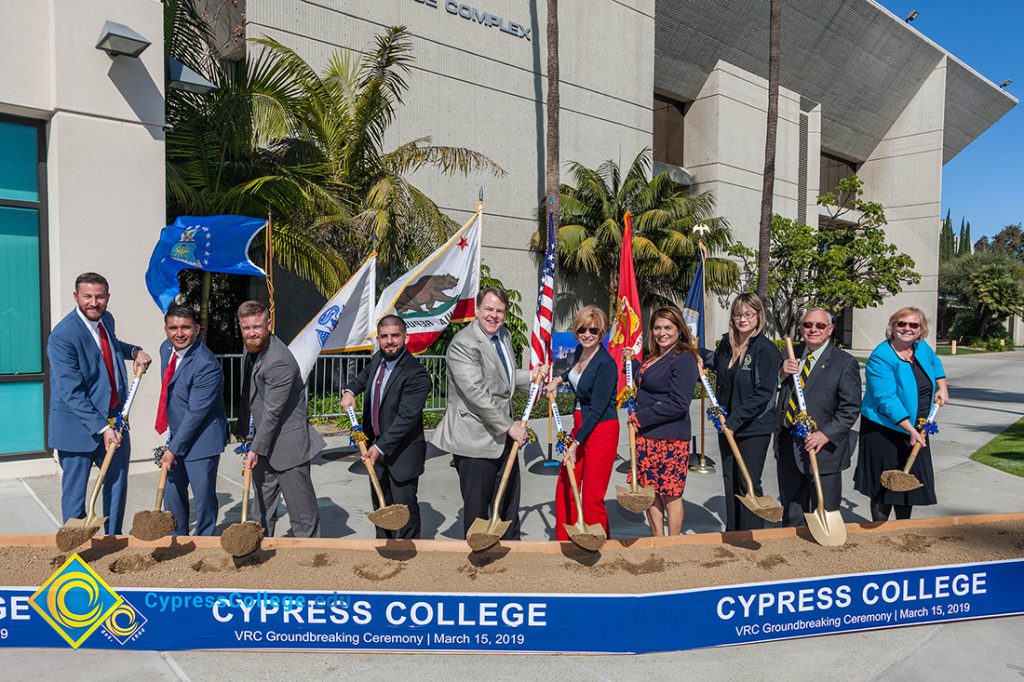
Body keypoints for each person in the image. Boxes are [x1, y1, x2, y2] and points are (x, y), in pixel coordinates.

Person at [431, 288, 546, 540]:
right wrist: (510, 427)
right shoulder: (464, 344)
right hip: (474, 441)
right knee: (478, 513)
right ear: (477, 310)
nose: (494, 316)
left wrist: (535, 378)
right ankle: (479, 565)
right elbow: (477, 393)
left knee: (507, 505)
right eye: (489, 309)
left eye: (500, 311)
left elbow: (504, 377)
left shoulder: (502, 336)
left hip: (503, 438)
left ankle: (510, 558)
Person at [47, 272, 152, 535]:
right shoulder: (62, 337)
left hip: (116, 417)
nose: (94, 302)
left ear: (107, 297)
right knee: (75, 494)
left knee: (116, 485)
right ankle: (77, 548)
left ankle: (112, 539)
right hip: (77, 428)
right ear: (76, 297)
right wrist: (102, 428)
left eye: (99, 296)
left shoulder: (106, 319)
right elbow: (72, 392)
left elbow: (111, 345)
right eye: (88, 297)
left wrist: (134, 351)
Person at [237, 300, 325, 537]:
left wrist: (254, 448)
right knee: (261, 510)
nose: (252, 333)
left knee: (302, 515)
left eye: (257, 326)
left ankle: (310, 561)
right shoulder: (251, 347)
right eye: (246, 328)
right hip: (263, 441)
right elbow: (250, 394)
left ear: (268, 324)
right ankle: (259, 553)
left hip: (288, 446)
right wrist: (245, 432)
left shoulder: (279, 361)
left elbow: (273, 412)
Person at [341, 315, 432, 539]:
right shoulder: (378, 360)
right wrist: (349, 392)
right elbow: (360, 379)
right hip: (375, 450)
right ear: (379, 339)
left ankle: (410, 553)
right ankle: (384, 548)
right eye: (384, 336)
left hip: (403, 453)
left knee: (405, 509)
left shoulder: (417, 374)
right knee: (381, 506)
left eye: (395, 336)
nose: (389, 341)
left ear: (405, 337)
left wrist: (379, 448)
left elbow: (406, 419)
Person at [855, 307, 948, 521]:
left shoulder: (921, 348)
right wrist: (909, 430)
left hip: (918, 425)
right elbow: (886, 398)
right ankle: (881, 533)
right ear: (892, 326)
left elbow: (935, 363)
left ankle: (902, 531)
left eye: (913, 325)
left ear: (921, 329)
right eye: (901, 324)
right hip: (885, 429)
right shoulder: (881, 356)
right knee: (885, 487)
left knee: (908, 486)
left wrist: (942, 385)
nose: (907, 328)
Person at [701, 293, 782, 532]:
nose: (742, 319)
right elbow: (720, 366)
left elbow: (764, 392)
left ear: (759, 316)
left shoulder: (765, 350)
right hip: (727, 424)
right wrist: (700, 358)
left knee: (748, 481)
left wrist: (734, 420)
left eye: (748, 314)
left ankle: (751, 533)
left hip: (753, 427)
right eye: (738, 314)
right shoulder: (728, 344)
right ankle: (734, 532)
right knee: (730, 479)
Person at [775, 308, 861, 526]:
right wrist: (781, 374)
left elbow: (850, 408)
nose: (813, 330)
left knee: (825, 510)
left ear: (830, 329)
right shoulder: (789, 354)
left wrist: (825, 434)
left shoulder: (844, 363)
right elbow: (773, 391)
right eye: (807, 325)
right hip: (789, 444)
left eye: (820, 325)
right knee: (793, 510)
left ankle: (824, 556)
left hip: (823, 448)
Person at [545, 305, 619, 540]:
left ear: (602, 333)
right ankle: (567, 539)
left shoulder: (606, 365)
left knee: (591, 496)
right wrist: (558, 379)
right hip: (581, 426)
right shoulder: (580, 351)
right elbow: (573, 372)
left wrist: (575, 444)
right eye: (583, 329)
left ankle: (598, 542)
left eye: (594, 331)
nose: (588, 334)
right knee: (567, 481)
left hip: (600, 429)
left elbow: (597, 410)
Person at [155, 305, 228, 536]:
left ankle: (204, 541)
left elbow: (196, 413)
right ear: (166, 329)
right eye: (173, 328)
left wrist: (173, 449)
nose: (179, 333)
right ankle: (177, 538)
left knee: (203, 497)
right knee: (172, 493)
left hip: (203, 439)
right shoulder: (166, 349)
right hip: (178, 434)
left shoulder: (206, 365)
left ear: (197, 329)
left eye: (185, 327)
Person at [627, 307, 699, 536]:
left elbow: (679, 402)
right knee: (650, 491)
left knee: (671, 492)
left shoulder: (684, 358)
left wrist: (641, 417)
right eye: (657, 327)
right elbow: (651, 385)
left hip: (670, 437)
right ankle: (657, 538)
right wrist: (632, 365)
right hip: (647, 436)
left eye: (668, 327)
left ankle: (673, 544)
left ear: (679, 329)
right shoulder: (653, 357)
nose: (662, 333)